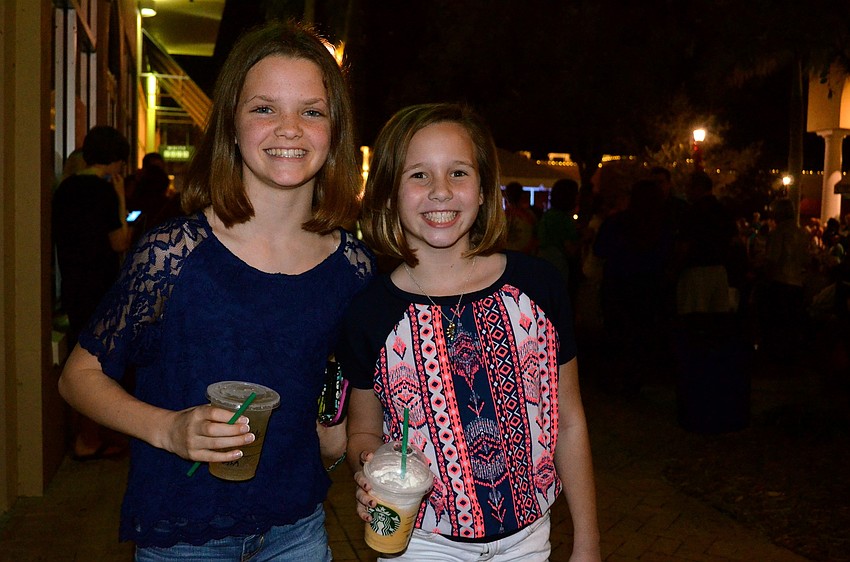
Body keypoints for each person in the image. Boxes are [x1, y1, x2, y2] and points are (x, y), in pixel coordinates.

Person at [57, 20, 374, 560]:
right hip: (183, 538)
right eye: (264, 108)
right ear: (231, 124)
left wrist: (356, 446)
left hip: (299, 532)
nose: (289, 128)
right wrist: (169, 428)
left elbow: (343, 400)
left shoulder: (355, 267)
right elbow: (78, 378)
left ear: (335, 130)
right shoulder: (172, 252)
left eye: (312, 111)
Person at [338, 103, 600, 561]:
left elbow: (570, 420)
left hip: (529, 540)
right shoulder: (369, 312)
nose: (441, 191)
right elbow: (363, 429)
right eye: (418, 175)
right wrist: (370, 471)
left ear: (483, 191)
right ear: (388, 194)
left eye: (458, 172)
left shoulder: (538, 289)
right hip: (418, 544)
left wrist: (588, 540)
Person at [53, 126, 133, 462]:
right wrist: (121, 199)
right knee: (99, 364)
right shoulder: (101, 192)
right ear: (116, 160)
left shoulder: (65, 187)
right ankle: (89, 439)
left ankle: (84, 435)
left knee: (79, 358)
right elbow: (120, 242)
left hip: (72, 283)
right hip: (99, 285)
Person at [536, 177, 581, 302]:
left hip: (542, 261)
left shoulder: (548, 215)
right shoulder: (563, 219)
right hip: (558, 263)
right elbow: (570, 249)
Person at [502, 181, 538, 254]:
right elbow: (535, 237)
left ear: (506, 196)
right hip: (525, 254)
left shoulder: (501, 216)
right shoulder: (529, 215)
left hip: (505, 255)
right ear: (522, 195)